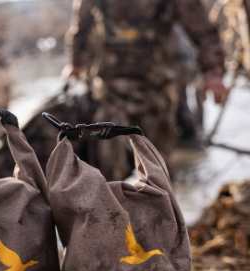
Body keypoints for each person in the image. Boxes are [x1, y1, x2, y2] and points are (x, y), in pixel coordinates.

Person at [65, 0, 227, 179]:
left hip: (156, 93)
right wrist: (75, 65)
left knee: (158, 173)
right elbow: (81, 27)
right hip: (108, 92)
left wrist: (213, 73)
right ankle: (109, 205)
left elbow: (204, 32)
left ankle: (159, 204)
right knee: (105, 171)